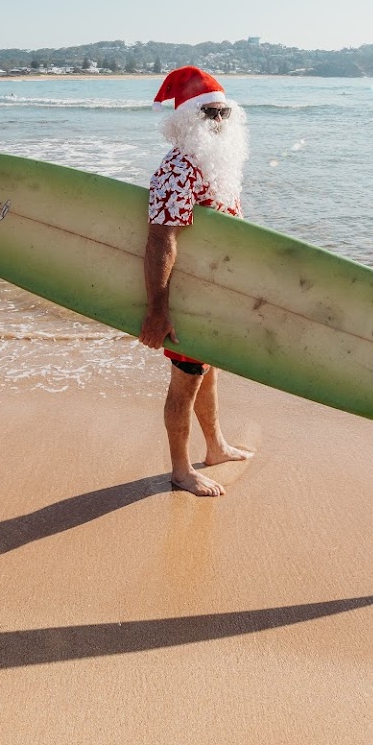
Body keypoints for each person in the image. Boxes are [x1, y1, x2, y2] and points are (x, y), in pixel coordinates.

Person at [140, 66, 254, 496]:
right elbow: (160, 239)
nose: (219, 123)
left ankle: (216, 446)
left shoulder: (215, 165)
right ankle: (180, 470)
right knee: (185, 376)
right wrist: (157, 310)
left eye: (224, 113)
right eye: (210, 115)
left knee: (207, 368)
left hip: (212, 295)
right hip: (184, 296)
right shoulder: (180, 167)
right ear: (189, 120)